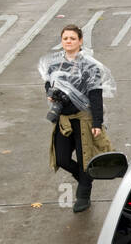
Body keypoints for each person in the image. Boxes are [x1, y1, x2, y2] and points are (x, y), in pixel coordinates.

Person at [40, 24, 114, 213]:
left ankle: (83, 195)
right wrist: (50, 93)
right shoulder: (54, 64)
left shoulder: (90, 66)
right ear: (61, 41)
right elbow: (48, 84)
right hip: (63, 119)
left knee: (85, 159)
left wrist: (97, 123)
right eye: (65, 38)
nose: (68, 42)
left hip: (83, 119)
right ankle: (84, 178)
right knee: (62, 158)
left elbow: (96, 95)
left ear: (80, 41)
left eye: (73, 38)